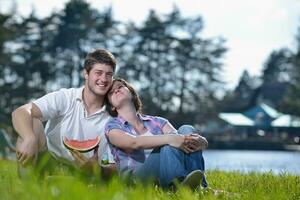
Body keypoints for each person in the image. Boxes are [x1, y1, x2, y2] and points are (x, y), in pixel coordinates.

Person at [12, 48, 116, 177]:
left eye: (109, 74)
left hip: (86, 175)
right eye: (98, 73)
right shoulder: (66, 97)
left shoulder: (114, 115)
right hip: (49, 162)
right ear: (86, 74)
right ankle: (25, 189)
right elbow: (21, 112)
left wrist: (98, 170)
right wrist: (29, 137)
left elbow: (113, 166)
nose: (104, 79)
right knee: (31, 122)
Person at [104, 78, 208, 190]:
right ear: (111, 106)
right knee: (168, 141)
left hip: (162, 173)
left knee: (186, 129)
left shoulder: (158, 121)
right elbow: (134, 142)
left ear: (131, 93)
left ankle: (199, 186)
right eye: (111, 92)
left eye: (120, 86)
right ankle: (174, 186)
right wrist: (170, 139)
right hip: (137, 180)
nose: (116, 90)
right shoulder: (112, 126)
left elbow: (180, 140)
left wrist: (202, 141)